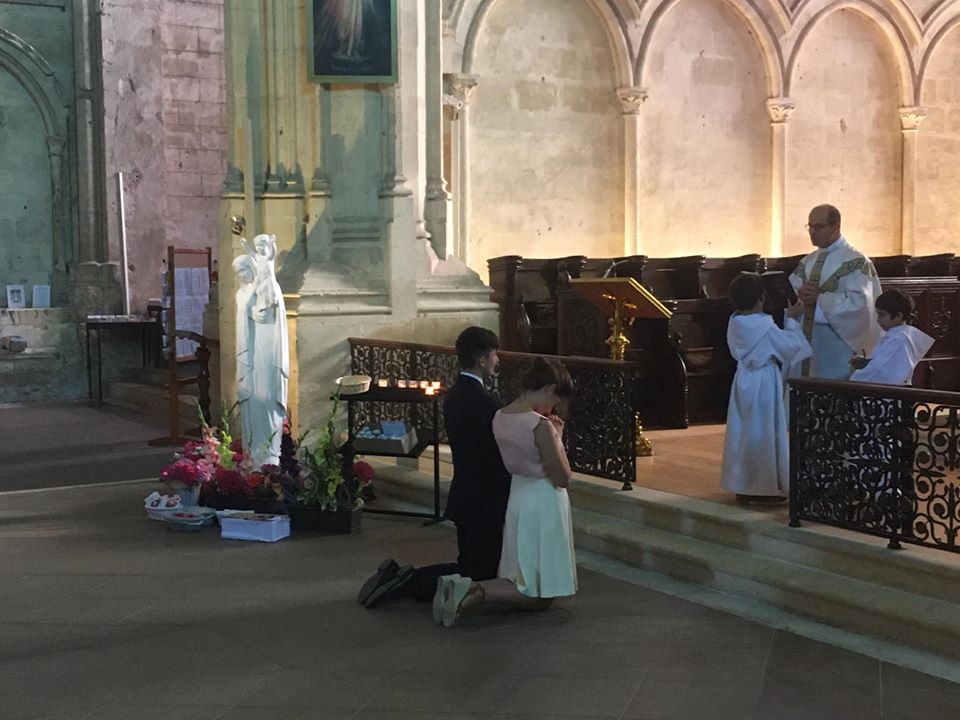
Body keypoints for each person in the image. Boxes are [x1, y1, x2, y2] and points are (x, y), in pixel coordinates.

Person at [357, 326, 511, 608]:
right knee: (477, 570)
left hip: (468, 494)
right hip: (483, 499)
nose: (497, 360)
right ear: (482, 359)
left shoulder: (455, 395)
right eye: (494, 355)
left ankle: (405, 580)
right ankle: (406, 581)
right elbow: (493, 452)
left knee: (473, 565)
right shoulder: (483, 402)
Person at [432, 357, 577, 628]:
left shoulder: (500, 417)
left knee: (527, 579)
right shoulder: (541, 425)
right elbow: (562, 476)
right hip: (544, 500)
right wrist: (558, 435)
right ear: (549, 389)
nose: (553, 407)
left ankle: (468, 590)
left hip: (518, 496)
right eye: (555, 399)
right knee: (540, 591)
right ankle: (472, 590)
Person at [720, 273, 811, 503]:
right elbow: (789, 348)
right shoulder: (765, 325)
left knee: (744, 431)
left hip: (742, 378)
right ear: (761, 299)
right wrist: (791, 319)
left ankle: (743, 483)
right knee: (764, 431)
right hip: (763, 380)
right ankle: (764, 487)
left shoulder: (734, 321)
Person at [789, 204, 882, 379]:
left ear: (836, 226)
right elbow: (792, 298)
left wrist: (820, 300)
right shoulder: (806, 262)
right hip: (804, 343)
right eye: (810, 226)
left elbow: (861, 306)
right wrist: (798, 298)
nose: (812, 232)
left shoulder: (857, 261)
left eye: (818, 227)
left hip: (836, 347)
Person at [233, 254, 289, 468]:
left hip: (268, 350)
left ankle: (270, 456)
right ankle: (252, 456)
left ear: (253, 268)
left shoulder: (270, 289)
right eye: (238, 273)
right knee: (253, 401)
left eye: (244, 270)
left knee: (267, 399)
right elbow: (246, 306)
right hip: (251, 352)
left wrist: (267, 270)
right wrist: (254, 287)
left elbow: (274, 300)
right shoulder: (242, 293)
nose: (242, 276)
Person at [849, 289, 934, 385]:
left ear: (898, 316)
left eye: (882, 315)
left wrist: (855, 379)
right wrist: (865, 363)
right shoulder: (894, 335)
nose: (878, 320)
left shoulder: (900, 339)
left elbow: (881, 371)